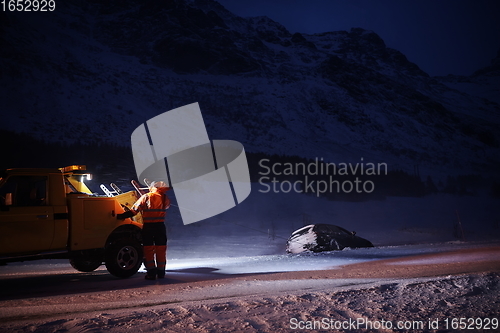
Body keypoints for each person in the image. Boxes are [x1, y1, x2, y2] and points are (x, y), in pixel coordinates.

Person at [118, 180, 171, 280]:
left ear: (151, 187)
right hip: (160, 227)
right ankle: (161, 272)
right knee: (161, 249)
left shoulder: (146, 197)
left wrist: (121, 216)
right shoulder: (165, 198)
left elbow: (134, 211)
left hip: (149, 227)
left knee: (148, 249)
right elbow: (167, 206)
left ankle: (151, 273)